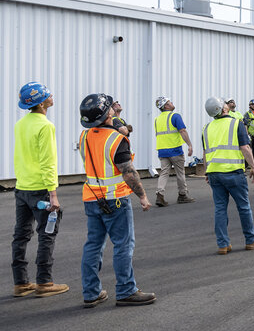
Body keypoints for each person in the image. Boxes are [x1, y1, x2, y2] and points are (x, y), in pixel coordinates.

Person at [78, 93, 156, 307]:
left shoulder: (85, 136)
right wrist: (142, 195)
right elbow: (128, 172)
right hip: (116, 200)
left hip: (92, 197)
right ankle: (126, 290)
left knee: (93, 245)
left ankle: (91, 292)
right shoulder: (116, 139)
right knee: (123, 244)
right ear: (106, 113)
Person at [11, 82, 68, 298]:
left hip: (22, 187)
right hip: (40, 189)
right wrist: (53, 194)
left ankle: (21, 282)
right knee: (47, 234)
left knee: (21, 235)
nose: (51, 95)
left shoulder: (21, 124)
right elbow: (48, 162)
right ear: (42, 102)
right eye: (48, 94)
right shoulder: (45, 126)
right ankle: (44, 282)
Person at [202, 97, 254, 255]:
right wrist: (253, 166)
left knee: (220, 209)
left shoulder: (206, 128)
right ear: (223, 109)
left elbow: (205, 153)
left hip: (214, 174)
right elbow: (245, 147)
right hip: (232, 172)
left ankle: (223, 244)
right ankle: (251, 240)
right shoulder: (235, 123)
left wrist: (207, 171)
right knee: (244, 207)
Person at [153, 96, 195, 206]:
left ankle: (160, 195)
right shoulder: (175, 116)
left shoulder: (157, 119)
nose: (172, 103)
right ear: (166, 105)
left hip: (162, 150)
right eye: (169, 102)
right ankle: (182, 195)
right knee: (180, 173)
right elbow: (182, 131)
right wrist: (189, 145)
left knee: (164, 173)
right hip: (175, 150)